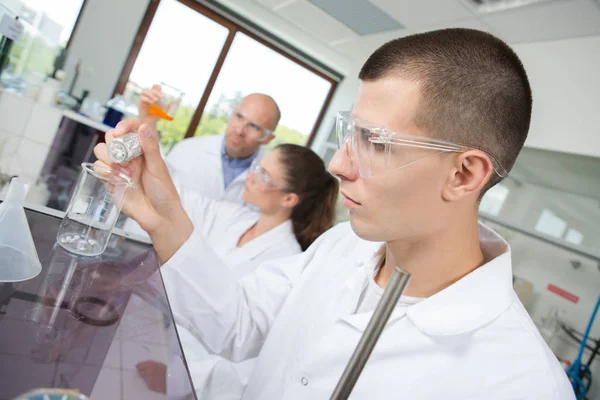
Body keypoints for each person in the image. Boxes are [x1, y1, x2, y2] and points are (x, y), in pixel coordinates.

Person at [96, 29, 575, 399]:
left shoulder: (521, 382)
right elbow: (237, 325)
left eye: (376, 142)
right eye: (352, 133)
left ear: (465, 175)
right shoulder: (341, 247)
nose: (338, 165)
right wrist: (161, 217)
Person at [93, 123, 338, 398]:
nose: (250, 175)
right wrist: (145, 161)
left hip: (188, 378)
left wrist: (175, 378)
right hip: (165, 339)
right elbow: (181, 200)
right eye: (257, 168)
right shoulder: (235, 218)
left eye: (263, 174)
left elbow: (250, 356)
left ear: (289, 198)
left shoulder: (287, 261)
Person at [139, 87, 281, 202]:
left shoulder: (270, 182)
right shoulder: (187, 149)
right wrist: (148, 122)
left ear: (268, 139)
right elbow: (150, 183)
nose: (239, 130)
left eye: (254, 126)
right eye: (239, 117)